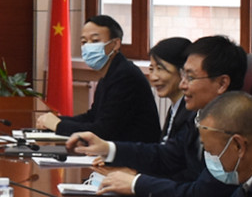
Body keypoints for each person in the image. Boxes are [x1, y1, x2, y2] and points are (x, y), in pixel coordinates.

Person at [70, 35, 245, 197]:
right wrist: (108, 148)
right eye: (183, 76)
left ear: (222, 84)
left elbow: (200, 194)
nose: (182, 85)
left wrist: (136, 183)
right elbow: (167, 156)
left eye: (190, 78)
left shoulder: (231, 130)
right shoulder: (199, 116)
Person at [36, 15, 164, 142]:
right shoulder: (110, 73)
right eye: (84, 42)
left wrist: (58, 125)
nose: (88, 47)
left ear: (115, 44)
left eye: (95, 41)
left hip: (134, 152)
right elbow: (93, 117)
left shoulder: (125, 76)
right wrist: (57, 120)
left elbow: (103, 131)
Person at [145, 36, 191, 142]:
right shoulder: (174, 108)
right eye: (151, 69)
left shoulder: (190, 114)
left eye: (160, 69)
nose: (153, 77)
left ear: (183, 72)